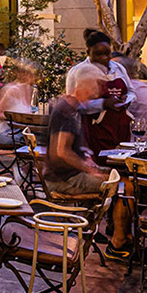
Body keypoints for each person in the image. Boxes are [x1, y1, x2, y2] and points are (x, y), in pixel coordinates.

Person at [43, 68, 112, 200]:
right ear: (85, 87)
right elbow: (62, 151)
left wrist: (87, 159)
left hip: (64, 176)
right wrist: (89, 169)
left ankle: (90, 211)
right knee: (118, 184)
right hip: (63, 180)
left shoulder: (68, 105)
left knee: (114, 174)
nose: (97, 94)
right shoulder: (68, 112)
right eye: (95, 88)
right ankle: (94, 212)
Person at [0, 61, 38, 148]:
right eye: (28, 74)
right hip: (5, 133)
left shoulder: (30, 89)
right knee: (34, 140)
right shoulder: (12, 90)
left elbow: (32, 110)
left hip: (20, 131)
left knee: (42, 137)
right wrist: (17, 118)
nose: (30, 77)